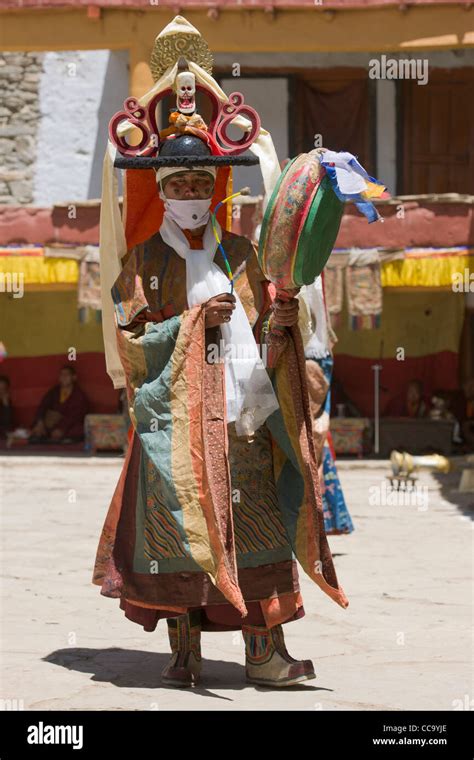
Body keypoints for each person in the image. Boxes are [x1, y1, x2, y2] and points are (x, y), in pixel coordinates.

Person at [93, 15, 348, 689]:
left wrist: (284, 320)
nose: (189, 195)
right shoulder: (143, 263)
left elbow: (265, 337)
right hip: (174, 430)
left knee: (257, 532)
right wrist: (191, 328)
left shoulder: (243, 254)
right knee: (180, 538)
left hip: (243, 426)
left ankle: (265, 653)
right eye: (175, 185)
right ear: (160, 189)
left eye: (199, 183)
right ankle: (184, 649)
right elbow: (132, 347)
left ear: (215, 187)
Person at [29, 366, 88, 443]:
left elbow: (76, 415)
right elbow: (43, 407)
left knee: (79, 430)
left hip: (67, 426)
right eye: (61, 375)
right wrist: (40, 422)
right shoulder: (54, 391)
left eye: (67, 375)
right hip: (51, 424)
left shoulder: (79, 395)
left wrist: (61, 428)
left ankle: (55, 437)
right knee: (37, 429)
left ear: (74, 377)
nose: (64, 377)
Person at [0, 375, 13, 439]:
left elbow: (8, 426)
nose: (0, 392)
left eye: (3, 389)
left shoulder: (6, 402)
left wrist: (6, 406)